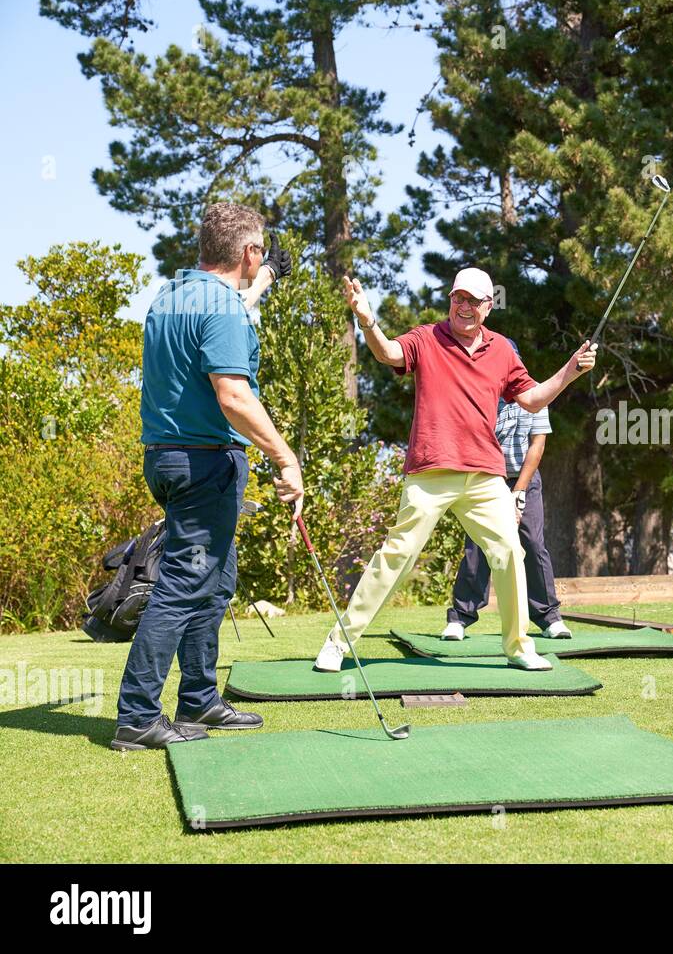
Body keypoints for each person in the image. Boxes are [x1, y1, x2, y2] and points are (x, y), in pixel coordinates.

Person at [313, 267, 596, 673]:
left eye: (473, 301)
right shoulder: (427, 337)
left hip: (484, 474)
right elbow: (388, 353)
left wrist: (570, 370)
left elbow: (532, 400)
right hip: (431, 471)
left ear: (488, 306)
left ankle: (518, 646)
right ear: (451, 301)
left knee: (509, 551)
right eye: (457, 298)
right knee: (397, 555)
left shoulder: (501, 350)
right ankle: (339, 644)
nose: (463, 306)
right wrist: (366, 320)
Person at [112, 203, 303, 751]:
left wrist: (262, 279)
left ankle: (198, 698)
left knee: (215, 583)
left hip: (170, 460)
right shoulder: (220, 308)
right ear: (247, 251)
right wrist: (285, 458)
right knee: (183, 586)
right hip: (204, 464)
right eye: (260, 252)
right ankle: (137, 716)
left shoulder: (172, 296)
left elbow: (228, 306)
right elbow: (234, 395)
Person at [440, 338, 571, 642]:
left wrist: (519, 491)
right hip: (486, 476)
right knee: (478, 546)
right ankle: (460, 618)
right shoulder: (481, 393)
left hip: (525, 477)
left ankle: (549, 617)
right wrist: (497, 490)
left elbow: (537, 445)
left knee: (534, 544)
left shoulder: (536, 393)